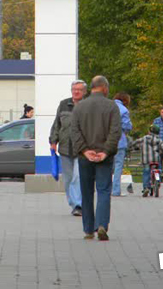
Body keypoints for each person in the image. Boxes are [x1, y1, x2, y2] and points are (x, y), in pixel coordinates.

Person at [71, 76, 121, 241]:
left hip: (85, 157)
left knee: (86, 192)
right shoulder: (112, 107)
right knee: (104, 190)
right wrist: (105, 152)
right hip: (104, 157)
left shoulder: (79, 107)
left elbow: (75, 132)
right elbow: (115, 132)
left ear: (91, 88)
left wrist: (85, 151)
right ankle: (101, 225)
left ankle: (88, 229)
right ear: (105, 88)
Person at [49, 80, 86, 217]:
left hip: (82, 149)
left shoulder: (87, 105)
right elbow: (57, 124)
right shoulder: (64, 104)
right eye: (74, 89)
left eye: (79, 89)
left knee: (77, 176)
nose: (76, 92)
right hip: (64, 149)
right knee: (68, 179)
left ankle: (79, 204)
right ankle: (73, 204)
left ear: (84, 92)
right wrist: (53, 140)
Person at [130, 125, 163, 197]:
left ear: (149, 131)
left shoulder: (144, 139)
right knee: (159, 166)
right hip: (156, 159)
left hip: (146, 160)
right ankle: (160, 174)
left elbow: (134, 143)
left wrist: (133, 147)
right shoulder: (159, 140)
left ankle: (146, 188)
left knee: (146, 173)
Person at [112, 93, 133, 196]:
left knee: (107, 167)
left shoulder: (107, 107)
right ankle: (115, 190)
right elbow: (127, 126)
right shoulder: (124, 110)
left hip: (105, 141)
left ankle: (105, 190)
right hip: (119, 141)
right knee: (118, 166)